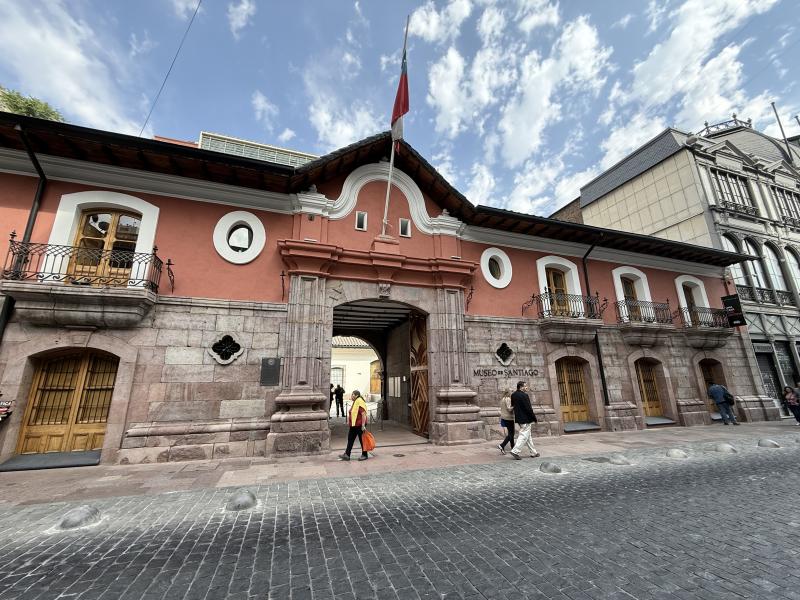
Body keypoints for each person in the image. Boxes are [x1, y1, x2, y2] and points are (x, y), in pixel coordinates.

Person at [509, 381, 540, 460]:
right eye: (525, 386)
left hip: (519, 418)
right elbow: (528, 408)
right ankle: (515, 451)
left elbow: (513, 406)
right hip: (526, 419)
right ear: (521, 387)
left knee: (528, 436)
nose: (527, 387)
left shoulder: (513, 395)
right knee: (523, 435)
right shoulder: (524, 395)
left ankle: (533, 452)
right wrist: (534, 418)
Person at [339, 390, 369, 461]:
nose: (351, 396)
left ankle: (365, 454)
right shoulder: (356, 401)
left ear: (356, 395)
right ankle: (347, 454)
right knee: (350, 439)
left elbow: (363, 414)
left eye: (352, 395)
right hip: (354, 425)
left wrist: (363, 425)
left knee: (362, 440)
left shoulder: (360, 401)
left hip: (359, 425)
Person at [497, 388, 515, 455]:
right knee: (511, 434)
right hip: (509, 418)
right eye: (512, 391)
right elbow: (509, 409)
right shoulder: (508, 399)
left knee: (511, 433)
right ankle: (502, 445)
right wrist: (515, 406)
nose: (513, 392)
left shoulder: (503, 399)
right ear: (508, 392)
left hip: (504, 418)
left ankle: (513, 447)